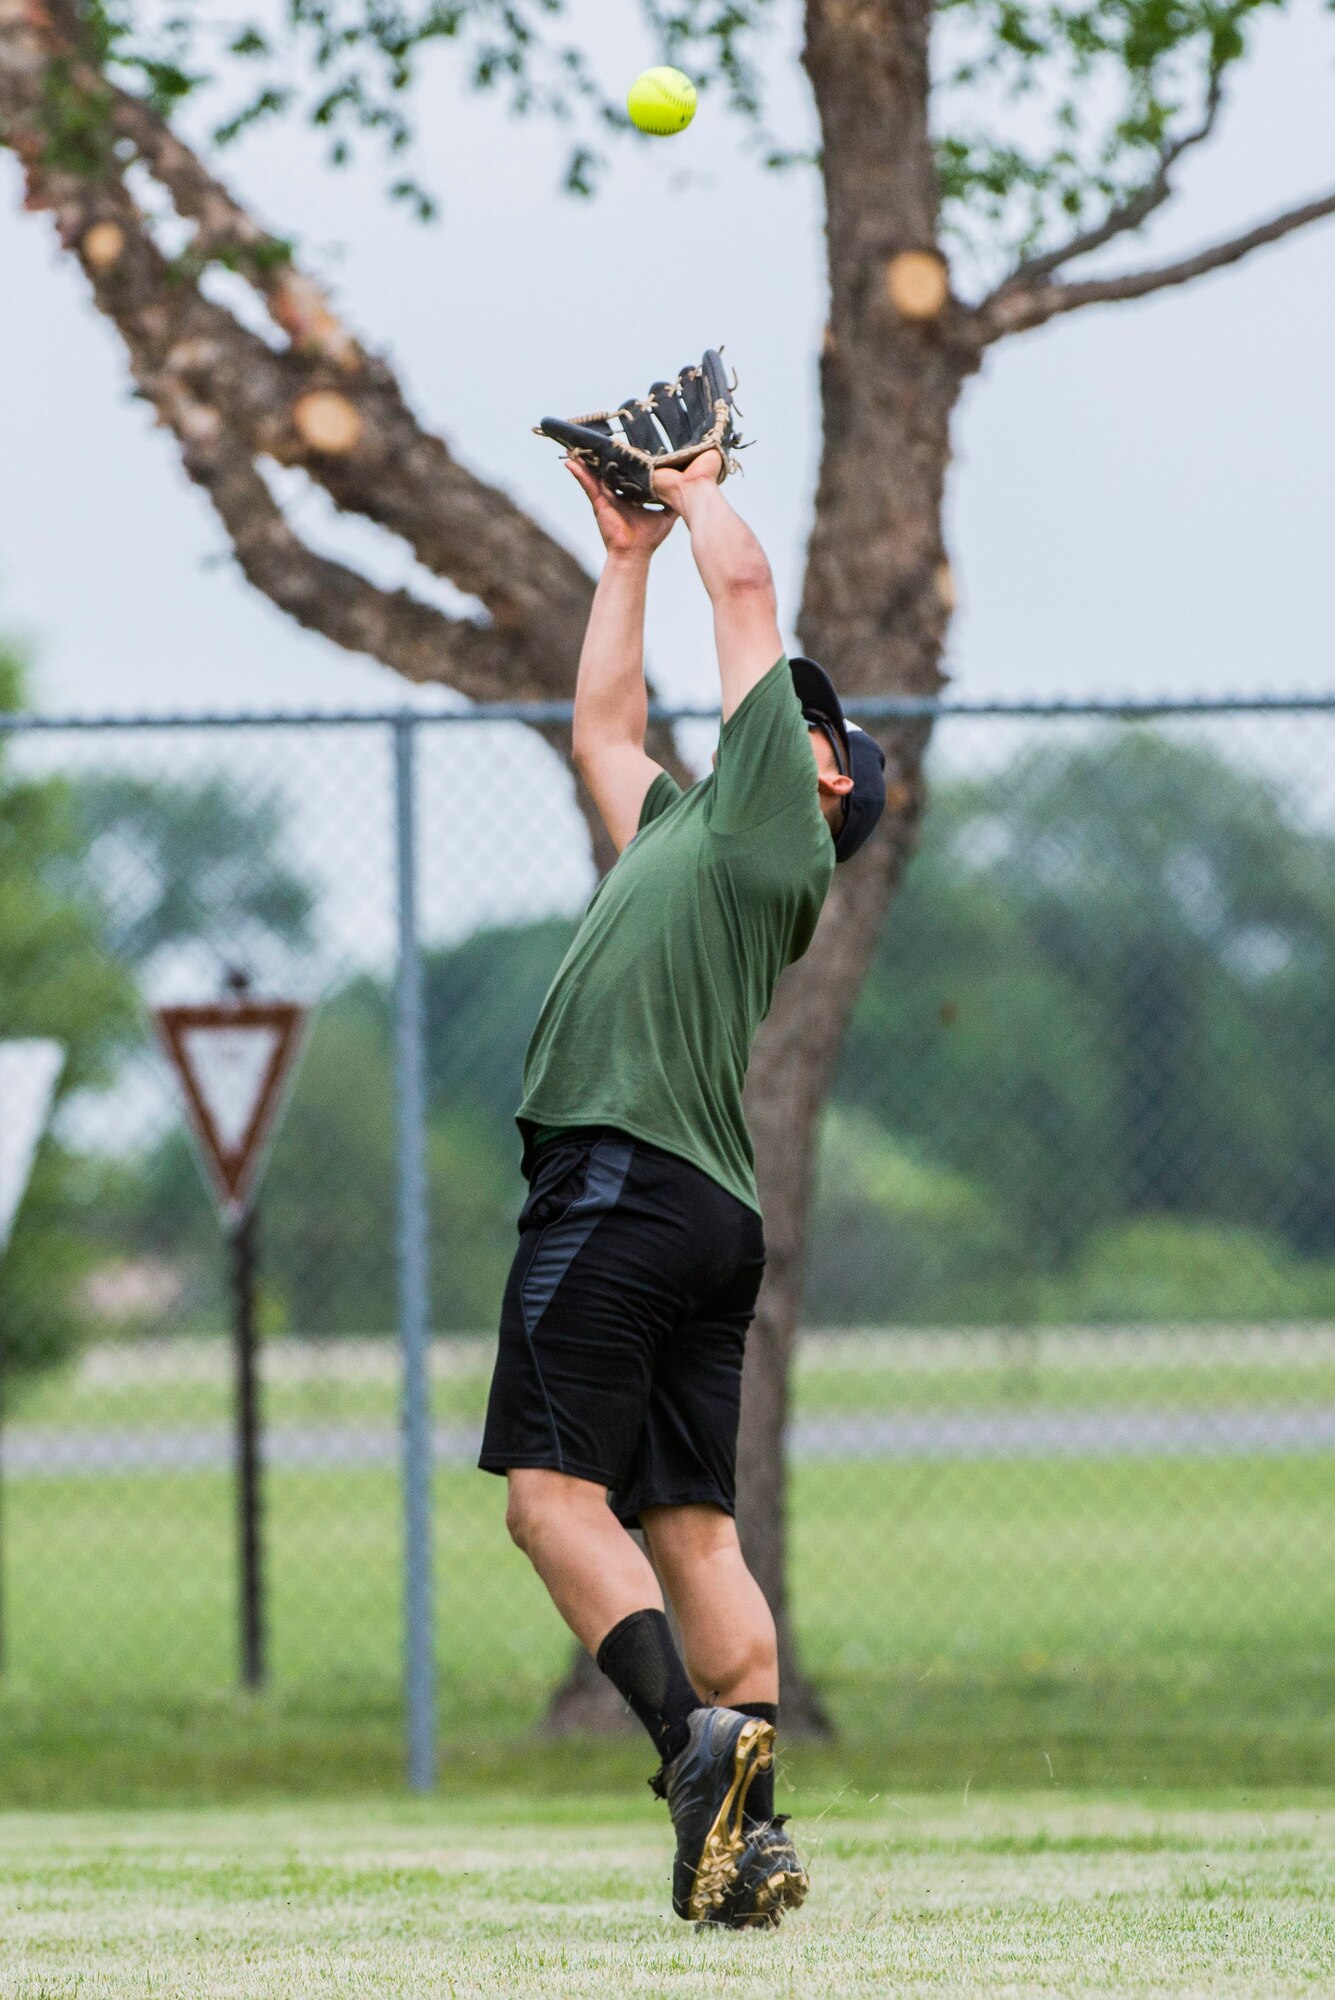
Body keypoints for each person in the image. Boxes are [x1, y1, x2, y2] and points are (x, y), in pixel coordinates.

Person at [478, 440, 887, 1928]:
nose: (782, 718)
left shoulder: (782, 827)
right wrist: (628, 552)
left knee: (545, 1502)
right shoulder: (694, 838)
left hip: (622, 1177)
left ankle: (686, 1754)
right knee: (694, 1533)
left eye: (805, 723)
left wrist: (701, 479)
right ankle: (757, 1837)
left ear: (825, 779)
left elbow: (755, 583)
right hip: (697, 1210)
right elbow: (601, 731)